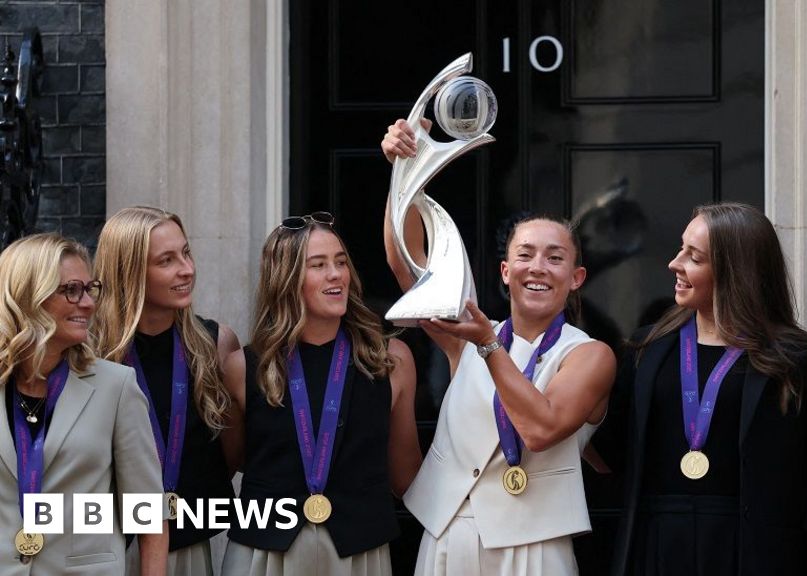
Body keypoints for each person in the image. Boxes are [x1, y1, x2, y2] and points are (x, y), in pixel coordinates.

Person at [382, 119, 616, 575]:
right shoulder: (469, 334)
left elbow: (541, 429)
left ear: (576, 279)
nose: (539, 268)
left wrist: (489, 345)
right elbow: (406, 264)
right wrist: (404, 172)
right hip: (450, 533)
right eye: (526, 255)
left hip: (536, 544)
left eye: (555, 258)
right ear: (506, 272)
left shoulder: (588, 354)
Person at [605, 203, 807, 576]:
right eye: (680, 249)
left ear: (735, 271)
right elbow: (611, 450)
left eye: (694, 257)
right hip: (657, 544)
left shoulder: (796, 357)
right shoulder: (647, 348)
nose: (675, 264)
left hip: (753, 548)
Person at [220, 211, 419, 576]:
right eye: (319, 265)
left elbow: (406, 477)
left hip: (360, 555)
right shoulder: (241, 368)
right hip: (264, 556)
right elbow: (228, 465)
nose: (335, 274)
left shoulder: (392, 361)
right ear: (286, 279)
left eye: (341, 262)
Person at [0, 233, 168, 575]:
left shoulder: (116, 386)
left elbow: (148, 513)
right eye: (71, 290)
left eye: (90, 289)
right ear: (28, 295)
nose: (89, 303)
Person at [92, 206, 241, 574]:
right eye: (166, 260)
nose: (187, 269)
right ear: (129, 272)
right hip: (105, 548)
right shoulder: (88, 355)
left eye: (186, 253)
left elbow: (233, 457)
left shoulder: (215, 344)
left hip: (188, 548)